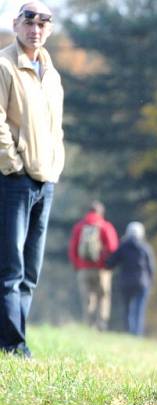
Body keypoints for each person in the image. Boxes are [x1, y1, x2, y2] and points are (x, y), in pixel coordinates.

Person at [0, 2, 64, 358]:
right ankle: (13, 346)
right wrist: (12, 164)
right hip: (14, 181)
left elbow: (57, 129)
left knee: (30, 272)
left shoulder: (51, 73)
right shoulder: (4, 65)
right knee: (10, 269)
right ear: (16, 24)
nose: (35, 27)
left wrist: (56, 164)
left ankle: (14, 339)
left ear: (49, 29)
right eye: (29, 20)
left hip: (46, 181)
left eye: (43, 22)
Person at [68, 201, 119, 331]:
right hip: (102, 269)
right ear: (101, 213)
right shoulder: (105, 226)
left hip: (83, 268)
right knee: (103, 296)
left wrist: (76, 265)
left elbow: (73, 248)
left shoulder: (79, 227)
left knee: (88, 297)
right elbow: (113, 248)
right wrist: (109, 264)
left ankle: (89, 323)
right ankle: (101, 323)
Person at [105, 222, 155, 336]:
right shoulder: (145, 248)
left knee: (128, 309)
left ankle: (129, 332)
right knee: (139, 310)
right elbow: (151, 268)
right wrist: (150, 282)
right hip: (142, 283)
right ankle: (137, 334)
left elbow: (110, 263)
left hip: (126, 282)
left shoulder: (123, 247)